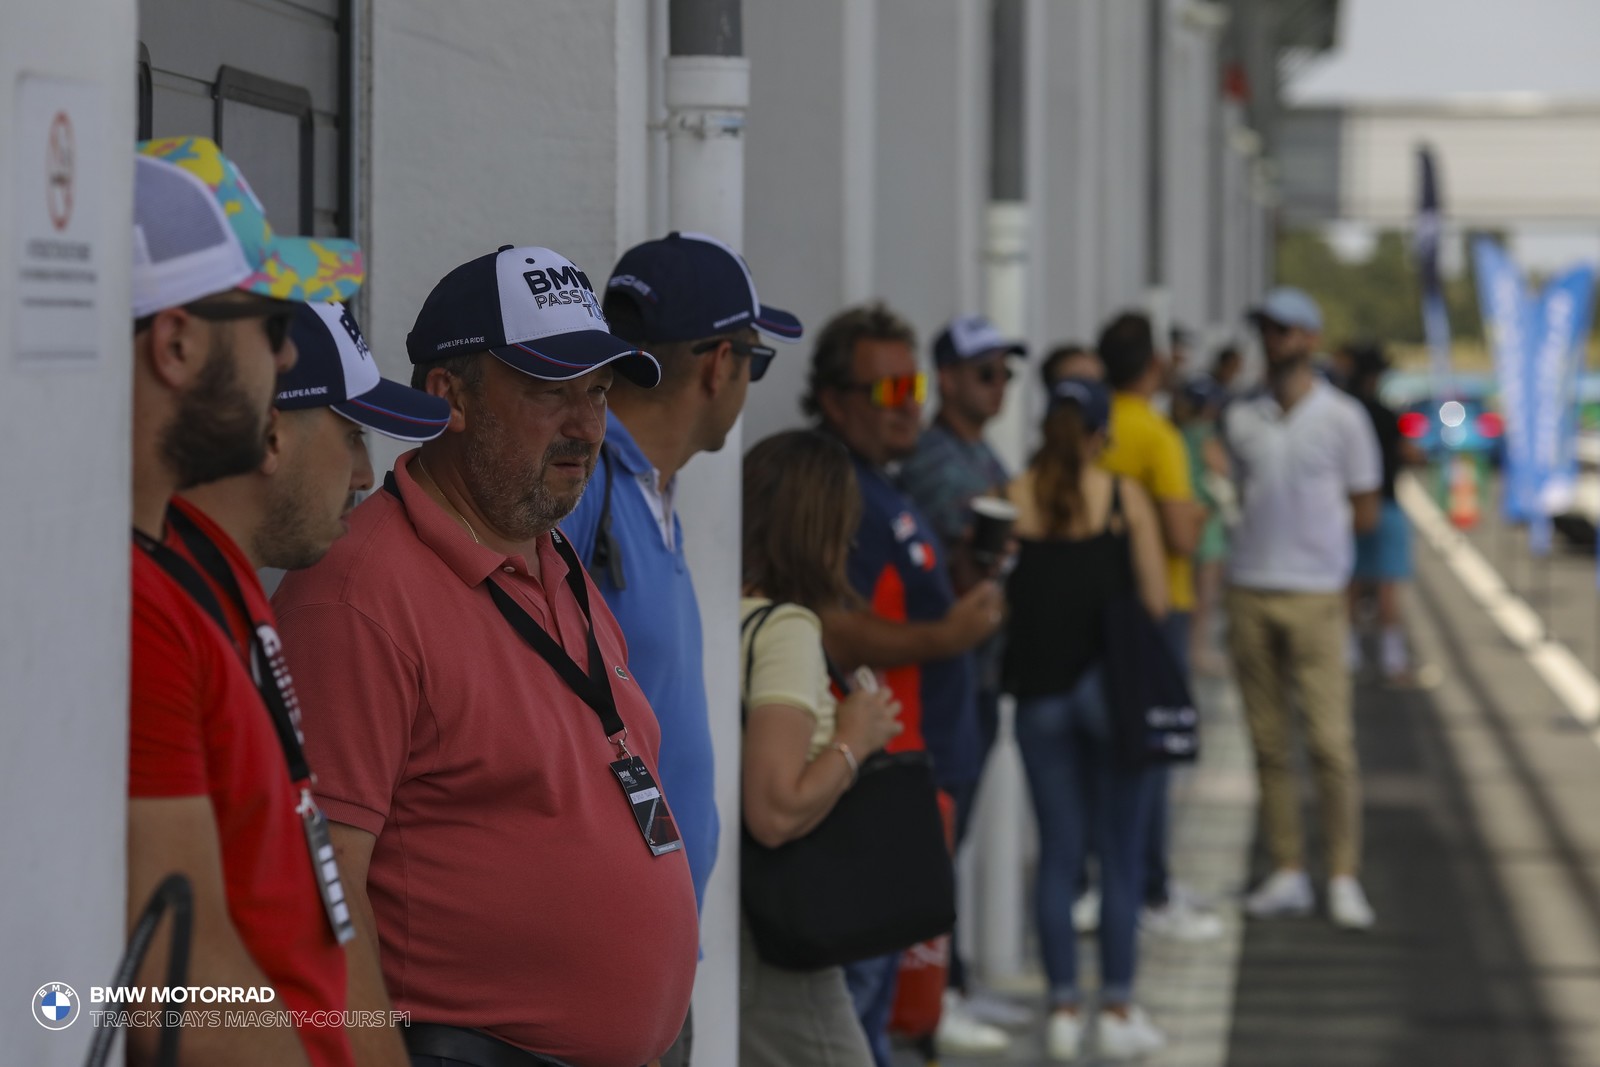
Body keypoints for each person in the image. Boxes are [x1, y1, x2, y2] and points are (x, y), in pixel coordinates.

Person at [273, 245, 699, 1067]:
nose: (585, 426)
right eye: (550, 391)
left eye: (599, 392)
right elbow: (317, 900)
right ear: (449, 398)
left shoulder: (549, 551)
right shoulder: (360, 590)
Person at [128, 136, 364, 1067]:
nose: (290, 349)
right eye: (268, 321)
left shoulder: (184, 563)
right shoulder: (133, 606)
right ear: (177, 343)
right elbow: (174, 980)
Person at [175, 303, 449, 1066]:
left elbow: (323, 906)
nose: (367, 474)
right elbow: (172, 973)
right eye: (352, 433)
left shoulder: (239, 600)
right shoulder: (163, 613)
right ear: (271, 433)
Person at [560, 231, 801, 1066]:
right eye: (754, 361)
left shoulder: (646, 489)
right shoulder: (583, 482)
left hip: (650, 953)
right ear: (717, 365)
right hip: (602, 962)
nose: (745, 383)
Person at [802, 302, 1005, 1067]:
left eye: (911, 385)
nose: (908, 405)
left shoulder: (885, 482)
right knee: (859, 1006)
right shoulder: (833, 487)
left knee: (888, 999)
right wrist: (945, 635)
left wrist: (962, 580)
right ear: (835, 399)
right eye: (886, 391)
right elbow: (829, 622)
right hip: (872, 784)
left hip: (917, 772)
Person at [1002, 377, 1169, 1061]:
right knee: (1119, 857)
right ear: (1102, 433)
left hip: (1039, 699)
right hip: (1111, 700)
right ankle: (1119, 1004)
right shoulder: (1123, 500)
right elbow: (1156, 600)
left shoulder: (1014, 497)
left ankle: (1063, 1005)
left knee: (1058, 856)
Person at [738, 429, 903, 1067]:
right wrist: (855, 739)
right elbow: (775, 808)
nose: (853, 544)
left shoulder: (718, 609)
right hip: (776, 937)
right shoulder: (786, 630)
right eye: (845, 525)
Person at [1226, 287, 1382, 930]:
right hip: (1251, 588)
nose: (1274, 341)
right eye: (1267, 330)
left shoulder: (1343, 419)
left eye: (1286, 331)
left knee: (1330, 743)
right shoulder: (1241, 418)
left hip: (1316, 593)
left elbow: (1365, 508)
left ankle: (1342, 873)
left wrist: (1349, 588)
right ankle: (1288, 868)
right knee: (1268, 744)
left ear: (1311, 339)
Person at [897, 314, 1028, 1049]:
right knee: (941, 838)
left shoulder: (979, 454)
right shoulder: (936, 460)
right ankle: (934, 999)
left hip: (975, 669)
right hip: (945, 673)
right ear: (945, 379)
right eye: (987, 373)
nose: (1000, 386)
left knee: (957, 834)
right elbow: (950, 577)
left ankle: (953, 981)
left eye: (1007, 373)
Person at [1094, 311, 1218, 942]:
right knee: (1154, 756)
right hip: (1156, 607)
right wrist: (1202, 513)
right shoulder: (1157, 434)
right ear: (1155, 366)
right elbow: (1178, 531)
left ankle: (1122, 884)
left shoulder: (1091, 426)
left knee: (1105, 762)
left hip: (1096, 612)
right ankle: (1153, 889)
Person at [1336, 342, 1422, 685]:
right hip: (1383, 504)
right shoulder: (1385, 414)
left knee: (1351, 584)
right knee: (1387, 586)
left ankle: (1347, 655)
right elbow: (1408, 452)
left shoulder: (1343, 411)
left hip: (1348, 507)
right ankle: (1392, 660)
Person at [1171, 377, 1233, 677]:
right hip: (1206, 520)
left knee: (1186, 592)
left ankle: (1185, 650)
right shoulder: (1205, 433)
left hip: (1181, 516)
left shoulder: (1176, 432)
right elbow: (1221, 469)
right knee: (1204, 597)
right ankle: (1197, 652)